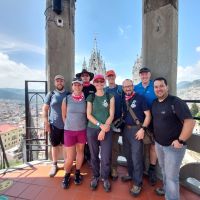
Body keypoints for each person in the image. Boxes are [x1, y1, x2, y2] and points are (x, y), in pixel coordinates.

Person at [152, 77, 195, 200]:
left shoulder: (175, 102)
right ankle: (166, 190)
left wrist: (180, 140)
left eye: (161, 86)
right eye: (156, 87)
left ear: (167, 87)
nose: (159, 89)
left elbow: (190, 122)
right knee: (164, 171)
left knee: (172, 177)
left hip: (173, 147)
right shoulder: (155, 103)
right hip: (159, 144)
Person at [121, 79, 151, 196]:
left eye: (129, 86)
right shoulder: (123, 99)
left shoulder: (140, 98)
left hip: (137, 130)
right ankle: (131, 174)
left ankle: (138, 183)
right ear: (123, 88)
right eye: (125, 87)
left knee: (136, 157)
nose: (127, 88)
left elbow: (148, 115)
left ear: (133, 86)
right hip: (125, 130)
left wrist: (143, 129)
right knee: (128, 154)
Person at [86, 74, 115, 192]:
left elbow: (111, 114)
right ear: (94, 83)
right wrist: (100, 125)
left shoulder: (110, 96)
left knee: (106, 155)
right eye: (96, 81)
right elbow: (88, 115)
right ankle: (95, 176)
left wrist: (104, 128)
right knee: (93, 154)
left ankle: (105, 177)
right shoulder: (90, 97)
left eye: (101, 81)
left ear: (104, 82)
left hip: (107, 129)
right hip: (92, 129)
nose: (99, 83)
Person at [61, 77, 87, 189]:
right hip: (69, 131)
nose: (77, 86)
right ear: (72, 86)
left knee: (80, 152)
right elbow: (64, 116)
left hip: (82, 130)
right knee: (70, 157)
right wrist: (69, 126)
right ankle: (66, 175)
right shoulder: (66, 99)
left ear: (82, 86)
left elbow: (87, 114)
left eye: (79, 85)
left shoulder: (85, 99)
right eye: (75, 84)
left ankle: (77, 172)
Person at [42, 75, 69, 177]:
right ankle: (54, 164)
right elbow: (44, 109)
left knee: (66, 146)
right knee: (54, 145)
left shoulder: (68, 94)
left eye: (61, 81)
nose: (59, 82)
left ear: (64, 82)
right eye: (57, 81)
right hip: (54, 125)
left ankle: (66, 163)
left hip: (67, 126)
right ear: (55, 82)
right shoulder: (51, 94)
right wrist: (46, 122)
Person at [134, 67, 157, 185]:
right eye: (142, 74)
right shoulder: (135, 87)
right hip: (140, 121)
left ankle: (152, 170)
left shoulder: (156, 85)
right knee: (141, 145)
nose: (144, 76)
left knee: (153, 145)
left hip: (155, 120)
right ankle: (141, 169)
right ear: (140, 76)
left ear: (149, 74)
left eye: (146, 74)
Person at [105, 70, 123, 181]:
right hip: (106, 123)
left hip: (116, 122)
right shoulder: (104, 90)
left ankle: (114, 168)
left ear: (115, 76)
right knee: (106, 147)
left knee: (115, 147)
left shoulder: (120, 89)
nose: (111, 78)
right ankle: (106, 168)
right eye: (109, 76)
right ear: (106, 78)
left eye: (112, 76)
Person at [76, 69, 96, 163]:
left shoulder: (93, 87)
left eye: (86, 76)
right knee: (81, 137)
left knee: (90, 138)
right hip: (80, 117)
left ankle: (90, 157)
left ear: (89, 77)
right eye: (83, 76)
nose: (85, 77)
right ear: (80, 77)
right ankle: (82, 157)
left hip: (92, 116)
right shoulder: (78, 87)